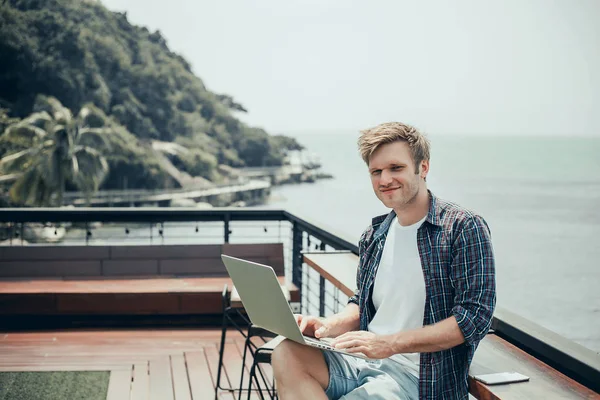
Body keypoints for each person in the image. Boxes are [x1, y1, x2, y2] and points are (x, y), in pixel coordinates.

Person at [271, 122, 496, 399]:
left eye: (395, 168)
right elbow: (362, 303)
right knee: (286, 352)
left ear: (423, 168)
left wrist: (388, 344)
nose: (384, 179)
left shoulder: (462, 227)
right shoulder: (375, 234)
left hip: (418, 378)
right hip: (360, 360)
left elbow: (474, 318)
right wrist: (328, 326)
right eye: (376, 171)